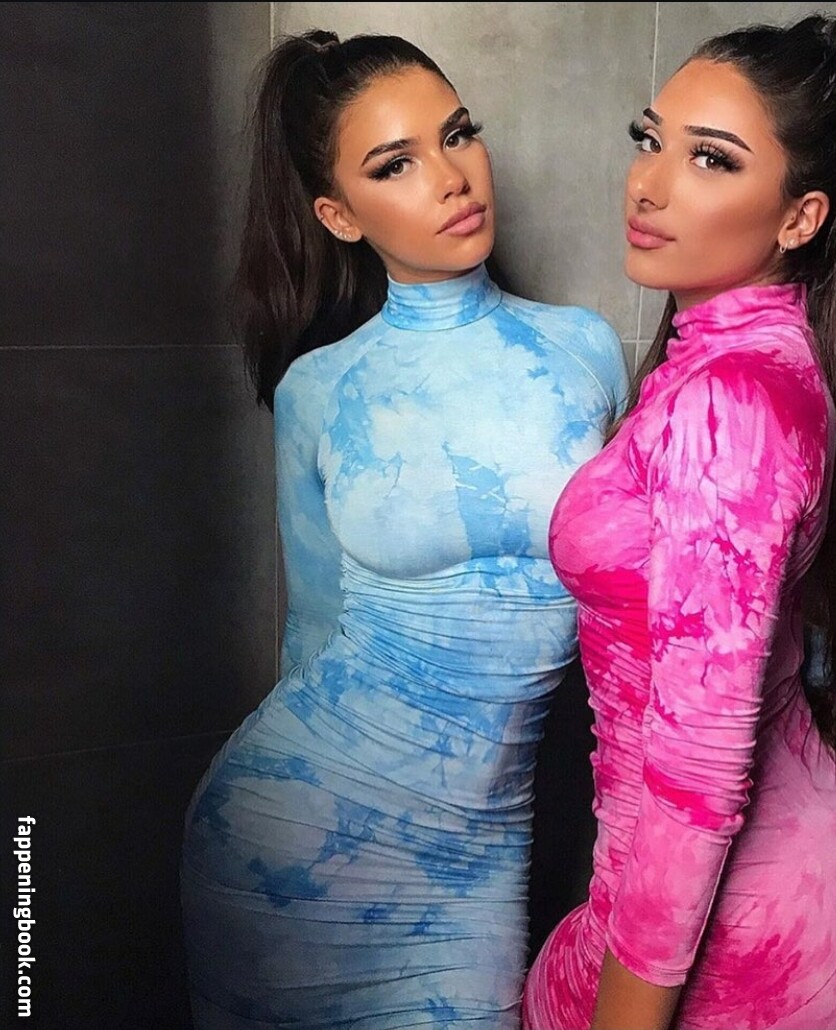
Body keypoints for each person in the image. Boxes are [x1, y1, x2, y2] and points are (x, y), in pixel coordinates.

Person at [180, 29, 629, 1029]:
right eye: (396, 164)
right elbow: (313, 633)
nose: (452, 176)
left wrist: (823, 662)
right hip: (288, 834)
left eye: (457, 133)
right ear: (339, 215)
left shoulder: (584, 350)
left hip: (481, 852)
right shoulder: (319, 389)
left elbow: (656, 579)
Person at [523, 15, 836, 1030]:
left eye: (711, 159)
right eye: (649, 140)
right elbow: (759, 597)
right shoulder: (769, 361)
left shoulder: (728, 400)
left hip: (744, 934)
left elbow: (697, 773)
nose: (648, 185)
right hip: (815, 870)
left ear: (800, 218)